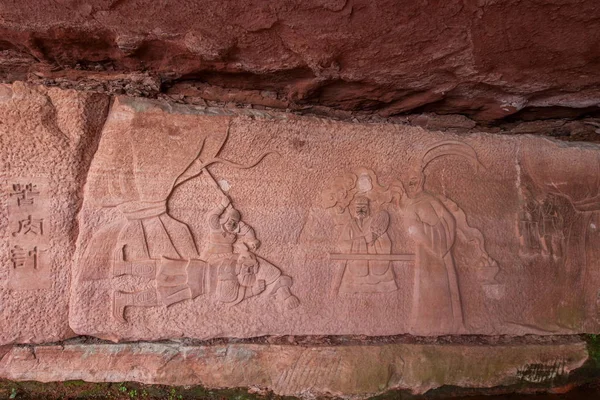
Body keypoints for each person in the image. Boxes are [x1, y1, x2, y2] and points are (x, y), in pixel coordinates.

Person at [201, 195, 300, 308]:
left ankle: (280, 286)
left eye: (235, 223)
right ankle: (248, 291)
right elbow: (212, 216)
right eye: (230, 221)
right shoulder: (216, 226)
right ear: (225, 219)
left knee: (252, 260)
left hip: (229, 256)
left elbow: (248, 230)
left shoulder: (235, 228)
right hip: (213, 257)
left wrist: (253, 240)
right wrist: (222, 205)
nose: (232, 225)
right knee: (240, 264)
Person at [337, 195, 397, 293]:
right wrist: (362, 241)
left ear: (368, 208)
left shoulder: (375, 222)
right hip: (355, 269)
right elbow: (341, 244)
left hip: (376, 270)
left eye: (364, 207)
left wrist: (376, 240)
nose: (361, 210)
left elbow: (387, 244)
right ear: (354, 209)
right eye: (358, 208)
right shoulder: (350, 224)